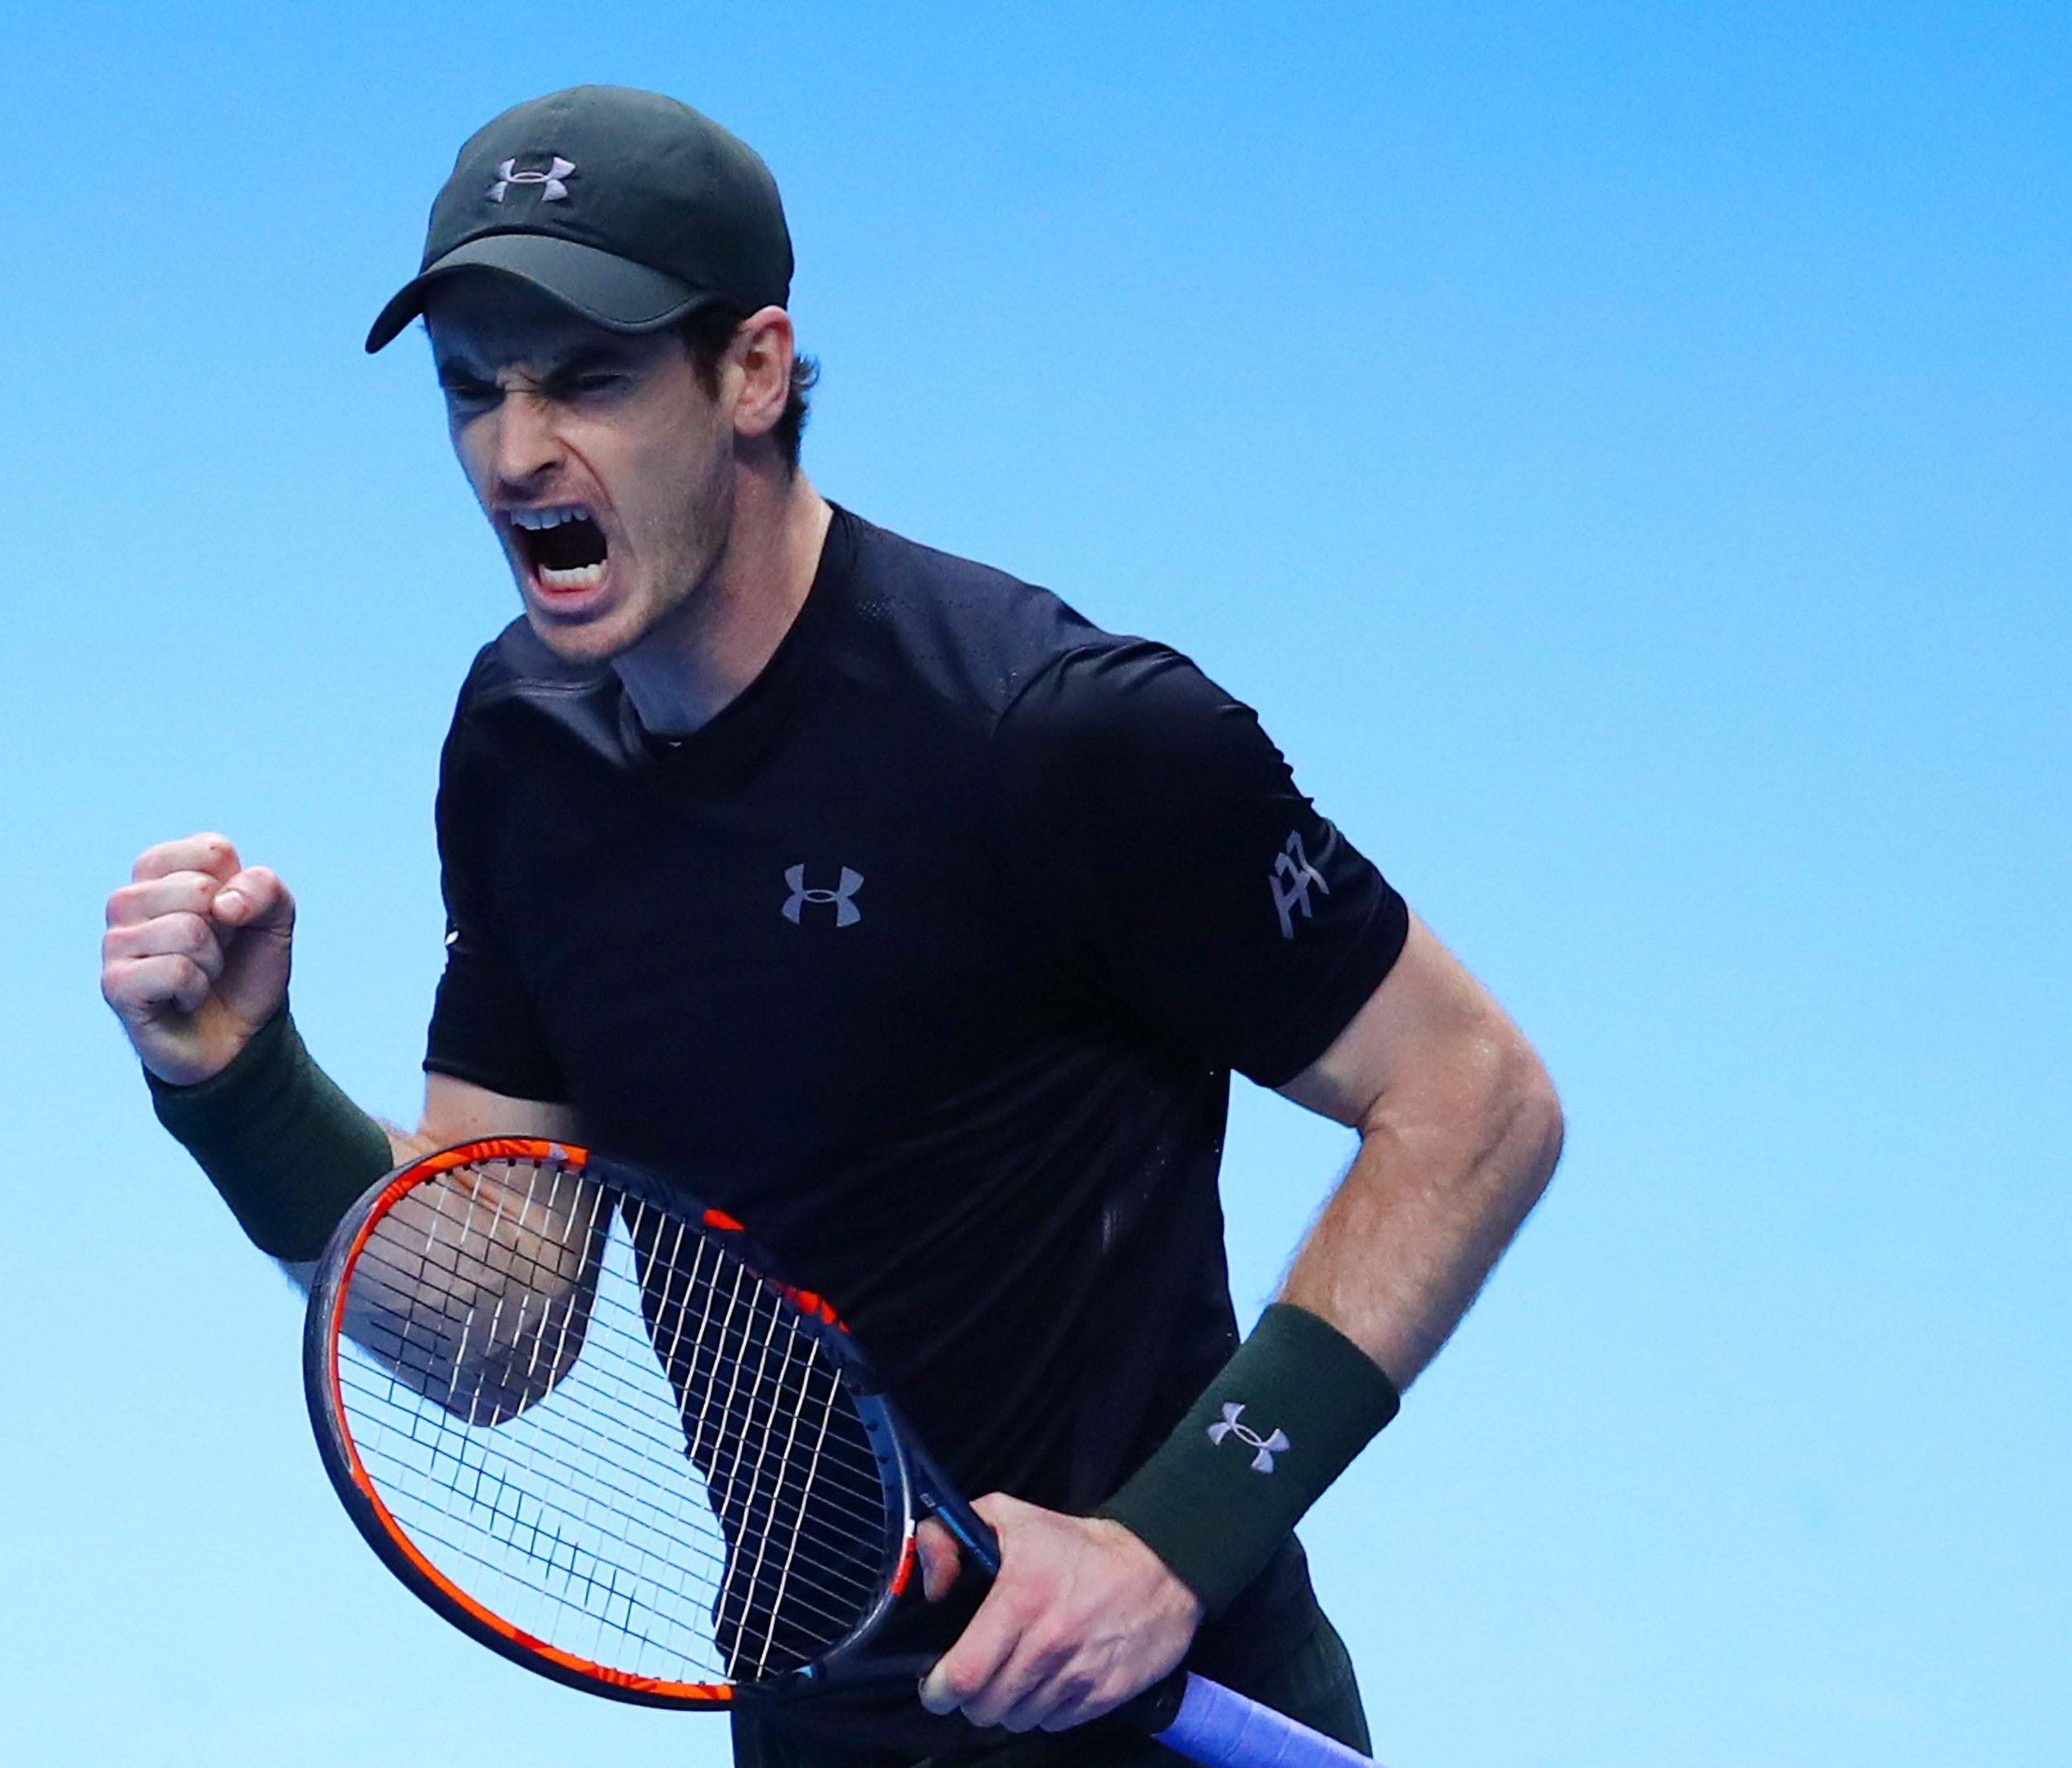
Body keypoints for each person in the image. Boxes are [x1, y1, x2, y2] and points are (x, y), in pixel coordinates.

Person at [98, 86, 1563, 1767]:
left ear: (753, 372)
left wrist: (1170, 1547)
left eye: (585, 376)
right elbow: (503, 1327)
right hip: (822, 1724)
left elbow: (1471, 1093)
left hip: (1161, 1717)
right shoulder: (522, 746)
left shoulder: (1060, 735)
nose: (513, 451)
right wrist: (240, 1094)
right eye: (470, 391)